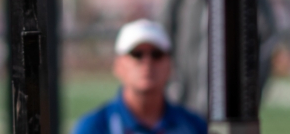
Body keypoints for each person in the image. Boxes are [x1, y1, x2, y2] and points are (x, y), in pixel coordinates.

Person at [72, 19, 207, 134]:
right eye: (137, 54)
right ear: (118, 65)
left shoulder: (194, 126)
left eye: (156, 54)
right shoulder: (93, 128)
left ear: (170, 65)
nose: (147, 62)